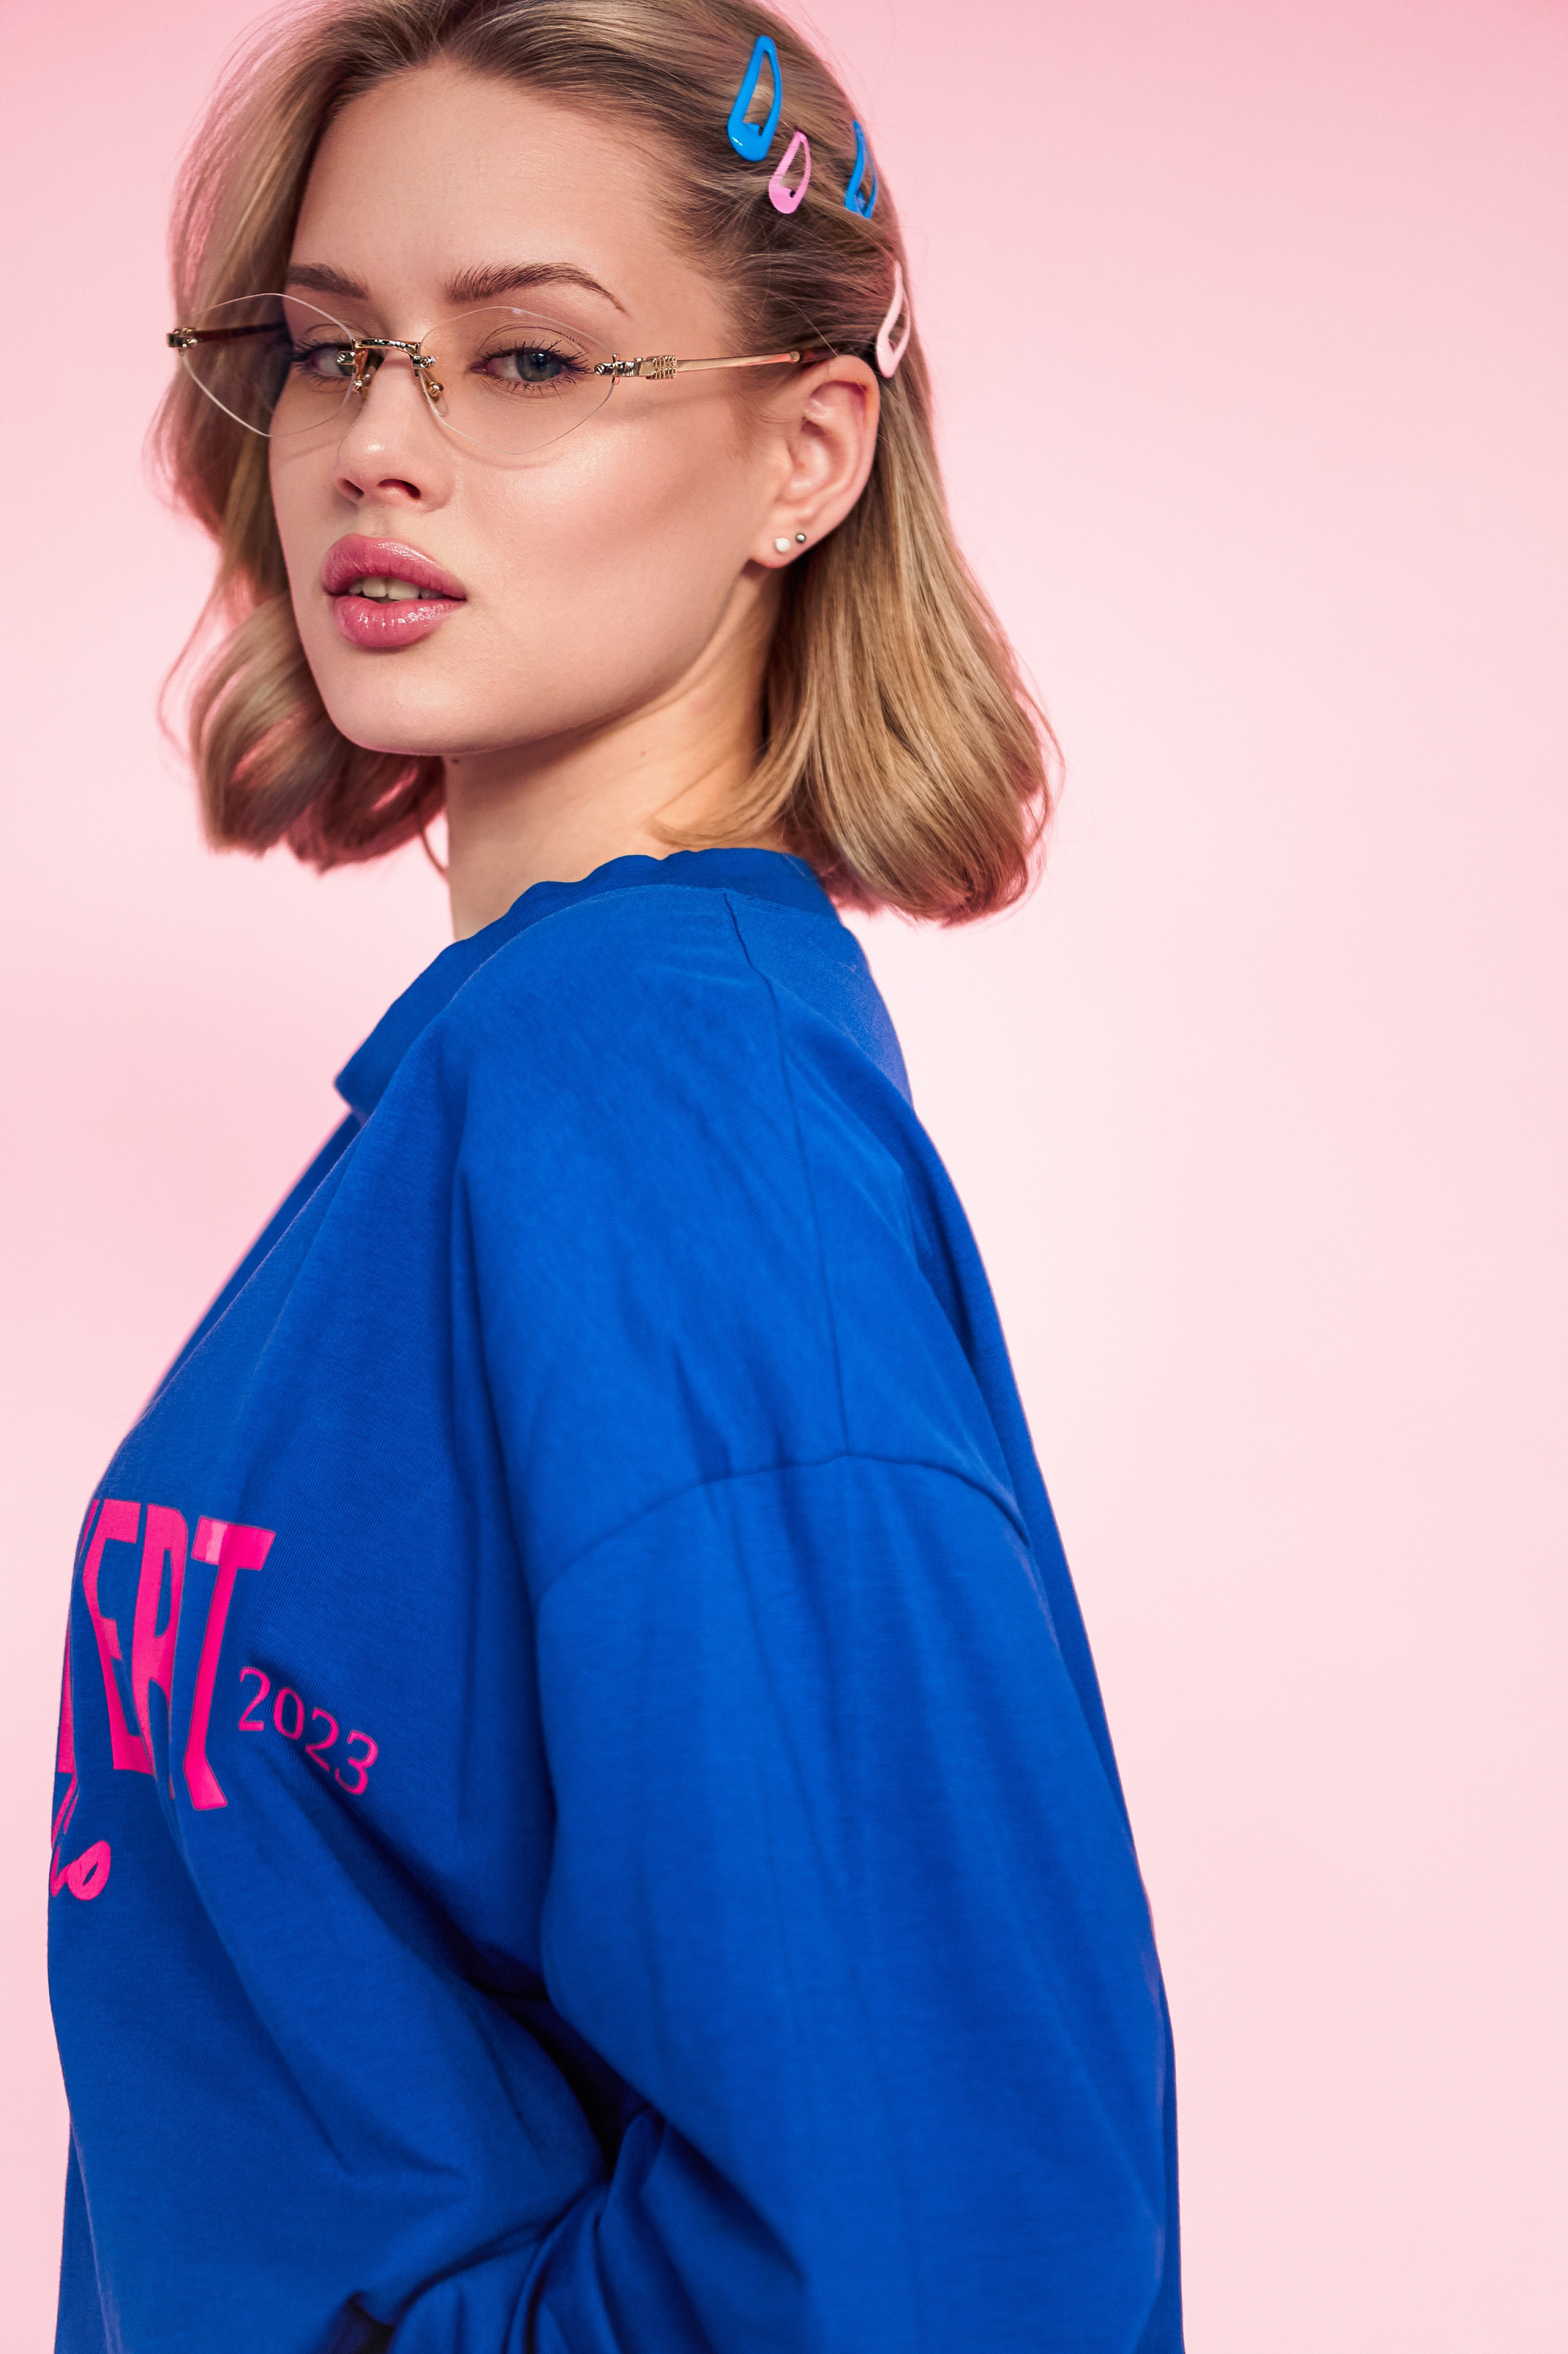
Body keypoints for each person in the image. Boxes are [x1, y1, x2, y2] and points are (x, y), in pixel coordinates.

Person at [47, 1, 1182, 2347]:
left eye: (532, 361)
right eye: (332, 349)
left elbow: (944, 2246)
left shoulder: (649, 1109)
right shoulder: (496, 1093)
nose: (381, 445)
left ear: (805, 453)